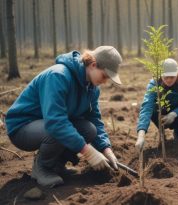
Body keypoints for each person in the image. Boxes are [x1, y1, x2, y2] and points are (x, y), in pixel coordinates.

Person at [5, 46, 123, 187]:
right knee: (57, 130)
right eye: (104, 76)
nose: (105, 81)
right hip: (22, 127)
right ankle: (42, 168)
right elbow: (56, 122)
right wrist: (88, 152)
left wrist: (106, 149)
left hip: (47, 124)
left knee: (89, 129)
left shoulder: (91, 88)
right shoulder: (58, 76)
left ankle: (56, 165)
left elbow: (95, 120)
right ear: (93, 65)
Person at [135, 58, 178, 151]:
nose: (169, 80)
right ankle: (161, 133)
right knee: (152, 110)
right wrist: (141, 135)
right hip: (160, 112)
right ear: (160, 75)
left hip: (177, 112)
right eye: (166, 77)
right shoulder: (154, 84)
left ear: (177, 74)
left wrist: (174, 114)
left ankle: (177, 131)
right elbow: (147, 107)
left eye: (172, 77)